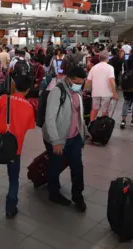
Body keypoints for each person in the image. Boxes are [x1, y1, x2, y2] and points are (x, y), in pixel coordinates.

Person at [0, 75, 35, 218]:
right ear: (27, 90)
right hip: (14, 147)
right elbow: (28, 127)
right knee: (13, 178)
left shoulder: (3, 99)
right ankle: (10, 207)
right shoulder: (29, 107)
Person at [43, 67, 89, 212]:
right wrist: (55, 141)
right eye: (77, 82)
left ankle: (77, 195)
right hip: (58, 137)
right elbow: (49, 118)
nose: (79, 85)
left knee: (77, 166)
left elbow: (78, 114)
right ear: (69, 78)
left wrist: (84, 131)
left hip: (74, 136)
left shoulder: (77, 92)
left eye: (81, 83)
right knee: (55, 165)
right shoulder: (57, 92)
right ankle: (53, 192)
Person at [85, 51, 118, 122]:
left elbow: (88, 81)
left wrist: (84, 91)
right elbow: (111, 81)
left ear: (99, 58)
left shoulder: (94, 68)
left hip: (95, 93)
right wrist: (114, 93)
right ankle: (103, 126)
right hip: (107, 94)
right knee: (105, 111)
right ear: (108, 58)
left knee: (94, 109)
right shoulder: (110, 68)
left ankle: (91, 124)